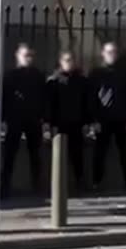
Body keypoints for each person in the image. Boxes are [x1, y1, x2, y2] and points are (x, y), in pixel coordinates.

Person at [3, 44, 47, 196]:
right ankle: (4, 187)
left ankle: (37, 186)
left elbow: (43, 98)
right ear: (18, 56)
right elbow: (4, 98)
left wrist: (43, 117)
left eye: (30, 55)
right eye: (25, 55)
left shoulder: (38, 75)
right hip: (15, 119)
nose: (28, 58)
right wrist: (4, 118)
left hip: (33, 120)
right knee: (9, 154)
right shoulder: (10, 76)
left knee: (35, 154)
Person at [90, 41, 126, 190]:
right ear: (103, 53)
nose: (112, 55)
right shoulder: (96, 73)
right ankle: (96, 180)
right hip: (103, 118)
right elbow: (91, 98)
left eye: (114, 52)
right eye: (109, 52)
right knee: (100, 151)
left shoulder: (125, 72)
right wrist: (94, 119)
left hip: (122, 118)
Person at [46, 51, 89, 186]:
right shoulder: (54, 81)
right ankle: (58, 182)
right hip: (60, 124)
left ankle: (80, 180)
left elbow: (85, 103)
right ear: (61, 62)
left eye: (71, 60)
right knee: (59, 155)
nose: (69, 63)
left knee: (77, 154)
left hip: (76, 123)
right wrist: (49, 123)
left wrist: (86, 122)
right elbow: (50, 104)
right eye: (66, 60)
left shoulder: (81, 81)